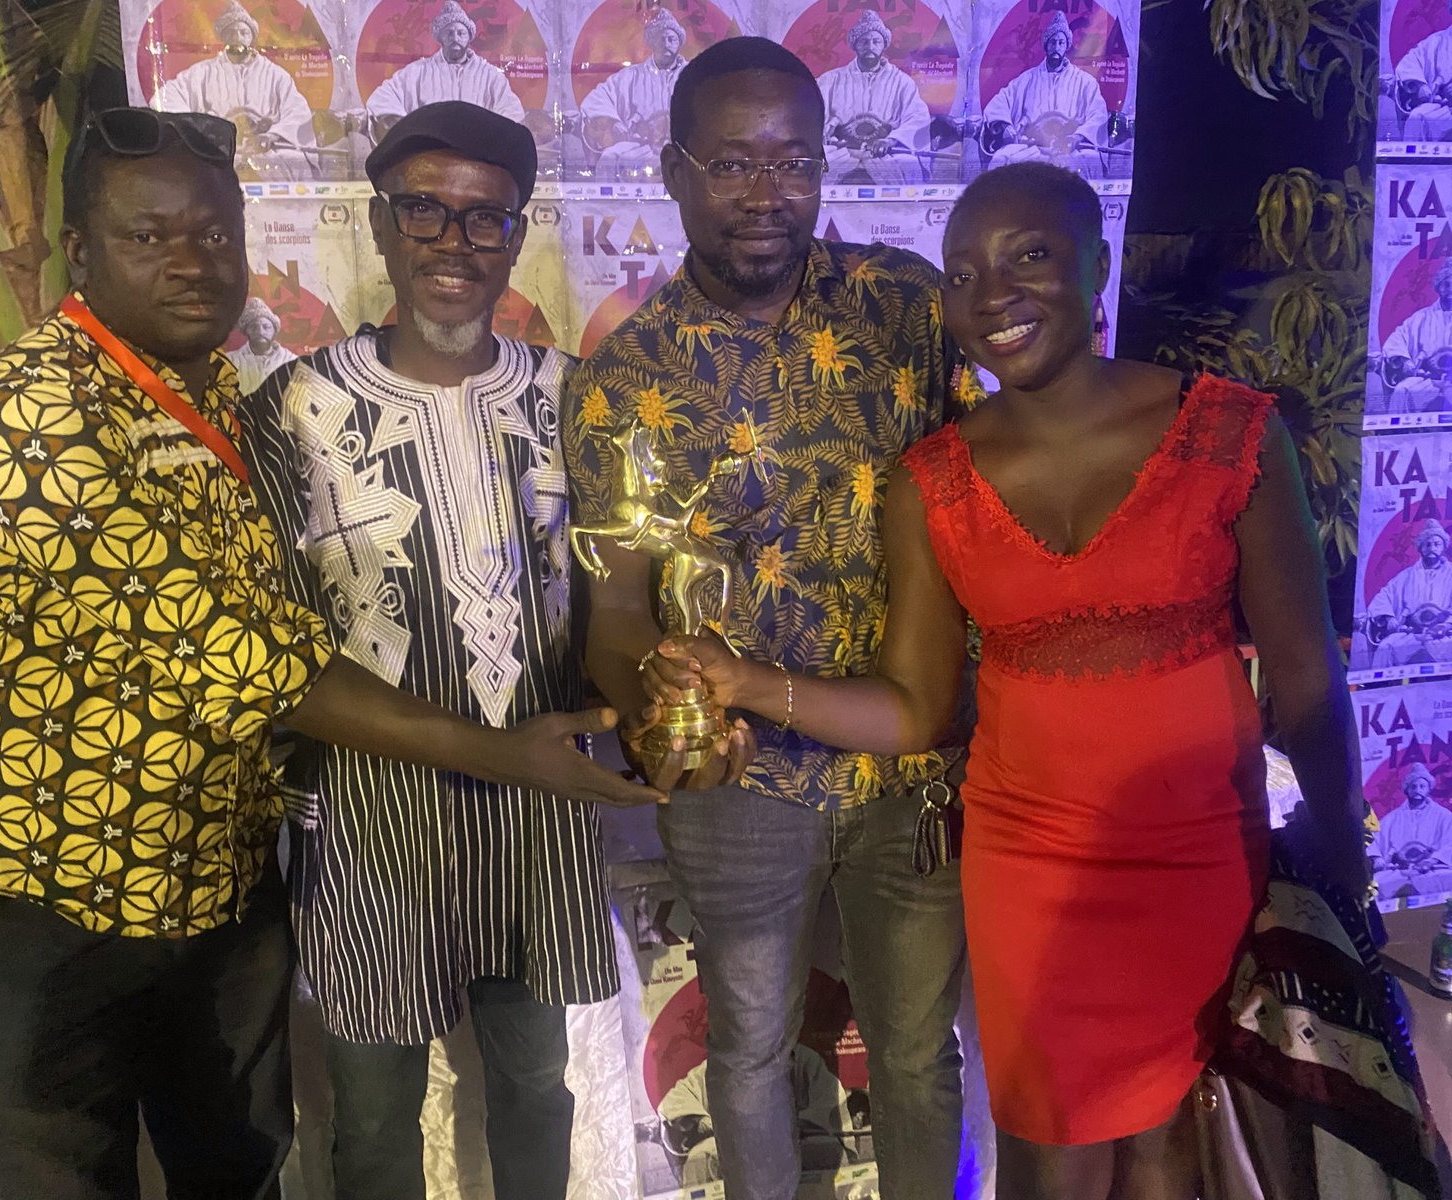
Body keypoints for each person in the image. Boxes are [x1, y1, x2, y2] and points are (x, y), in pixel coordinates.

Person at [0, 105, 656, 1200]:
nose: (190, 263)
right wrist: (505, 754)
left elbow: (609, 585)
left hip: (226, 883)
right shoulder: (45, 414)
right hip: (63, 888)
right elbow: (244, 651)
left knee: (270, 1155)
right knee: (259, 1135)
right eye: (147, 236)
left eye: (214, 235)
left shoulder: (215, 393)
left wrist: (656, 699)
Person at [656, 161, 1370, 1199]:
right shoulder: (933, 482)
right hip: (1031, 868)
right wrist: (749, 683)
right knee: (1048, 1150)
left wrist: (1343, 853)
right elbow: (913, 708)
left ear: (1098, 266)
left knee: (1177, 1144)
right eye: (962, 274)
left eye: (1028, 256)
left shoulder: (1232, 434)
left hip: (1204, 857)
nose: (992, 294)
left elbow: (1305, 677)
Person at [565, 38, 969, 1200]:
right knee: (745, 1055)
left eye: (793, 161)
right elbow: (614, 611)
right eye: (733, 163)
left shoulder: (905, 307)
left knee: (916, 1055)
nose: (766, 192)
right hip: (741, 787)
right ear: (672, 172)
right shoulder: (621, 380)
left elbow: (990, 496)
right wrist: (662, 711)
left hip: (910, 767)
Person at [241, 102, 614, 1200]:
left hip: (537, 813)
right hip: (371, 813)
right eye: (424, 211)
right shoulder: (295, 407)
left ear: (517, 233)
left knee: (536, 1085)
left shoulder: (568, 397)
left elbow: (617, 591)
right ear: (378, 224)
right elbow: (270, 638)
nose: (455, 242)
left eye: (484, 218)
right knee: (372, 1109)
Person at [154, 0, 314, 179]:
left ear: (252, 36)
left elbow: (298, 112)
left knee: (295, 163)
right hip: (217, 153)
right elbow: (165, 98)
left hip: (267, 151)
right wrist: (201, 129)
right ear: (223, 37)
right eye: (231, 33)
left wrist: (273, 135)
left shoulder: (276, 75)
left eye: (244, 32)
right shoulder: (202, 72)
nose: (238, 38)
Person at [659, 1045, 858, 1185]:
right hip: (735, 1151)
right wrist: (708, 1125)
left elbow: (827, 1106)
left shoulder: (803, 1061)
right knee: (703, 1155)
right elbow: (678, 1100)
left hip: (795, 1148)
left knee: (821, 1147)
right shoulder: (718, 1067)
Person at [363, 0, 524, 137]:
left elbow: (512, 112)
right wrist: (407, 130)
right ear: (440, 37)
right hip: (428, 155)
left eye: (461, 33)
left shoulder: (490, 76)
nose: (455, 38)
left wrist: (488, 136)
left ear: (469, 37)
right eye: (449, 33)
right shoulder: (418, 72)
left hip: (477, 157)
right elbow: (382, 99)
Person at [982, 11, 1105, 176]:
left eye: (1061, 42)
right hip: (1032, 148)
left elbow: (1099, 115)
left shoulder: (1085, 82)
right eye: (1052, 42)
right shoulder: (1027, 79)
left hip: (1069, 149)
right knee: (1000, 158)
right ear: (1046, 45)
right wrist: (1005, 126)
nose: (1057, 47)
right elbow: (1001, 102)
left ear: (1067, 45)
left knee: (1091, 158)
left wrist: (1076, 138)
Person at [817, 10, 929, 185]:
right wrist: (828, 133)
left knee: (909, 164)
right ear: (855, 45)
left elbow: (917, 118)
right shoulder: (830, 80)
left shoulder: (902, 82)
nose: (870, 46)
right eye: (864, 41)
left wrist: (890, 140)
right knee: (819, 163)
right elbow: (812, 115)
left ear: (884, 45)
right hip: (842, 151)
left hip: (886, 153)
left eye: (876, 41)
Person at [578, 7, 688, 180]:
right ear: (652, 43)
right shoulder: (631, 76)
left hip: (683, 149)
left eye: (671, 39)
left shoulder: (693, 75)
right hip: (639, 148)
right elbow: (597, 98)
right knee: (610, 158)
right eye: (660, 39)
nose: (666, 44)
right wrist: (613, 122)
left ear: (679, 42)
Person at [1359, 518, 1452, 668]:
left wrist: (1446, 626)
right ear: (1420, 548)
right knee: (1385, 647)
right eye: (1427, 544)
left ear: (1443, 547)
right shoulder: (1406, 576)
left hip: (1445, 633)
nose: (1432, 548)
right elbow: (1385, 596)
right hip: (1411, 633)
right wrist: (1389, 618)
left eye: (1437, 544)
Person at [1381, 263, 1452, 413]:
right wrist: (1406, 362)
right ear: (1438, 287)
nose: (1451, 289)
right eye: (1446, 284)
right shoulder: (1421, 318)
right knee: (1402, 390)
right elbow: (1397, 340)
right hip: (1427, 379)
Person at [1375, 763, 1452, 872]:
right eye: (1413, 786)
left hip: (1435, 869)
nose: (1417, 790)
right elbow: (1375, 842)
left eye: (1422, 786)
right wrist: (1378, 859)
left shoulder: (1444, 816)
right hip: (1399, 871)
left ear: (1428, 789)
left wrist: (1433, 860)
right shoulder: (1392, 819)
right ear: (1407, 790)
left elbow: (1450, 844)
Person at [1395, 5, 1452, 141]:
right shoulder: (1436, 42)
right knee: (1418, 118)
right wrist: (1421, 87)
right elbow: (1410, 64)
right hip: (1444, 108)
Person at [227, 296, 297, 393]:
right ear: (246, 331)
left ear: (274, 330)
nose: (260, 332)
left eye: (266, 327)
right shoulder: (230, 361)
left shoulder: (290, 360)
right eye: (254, 327)